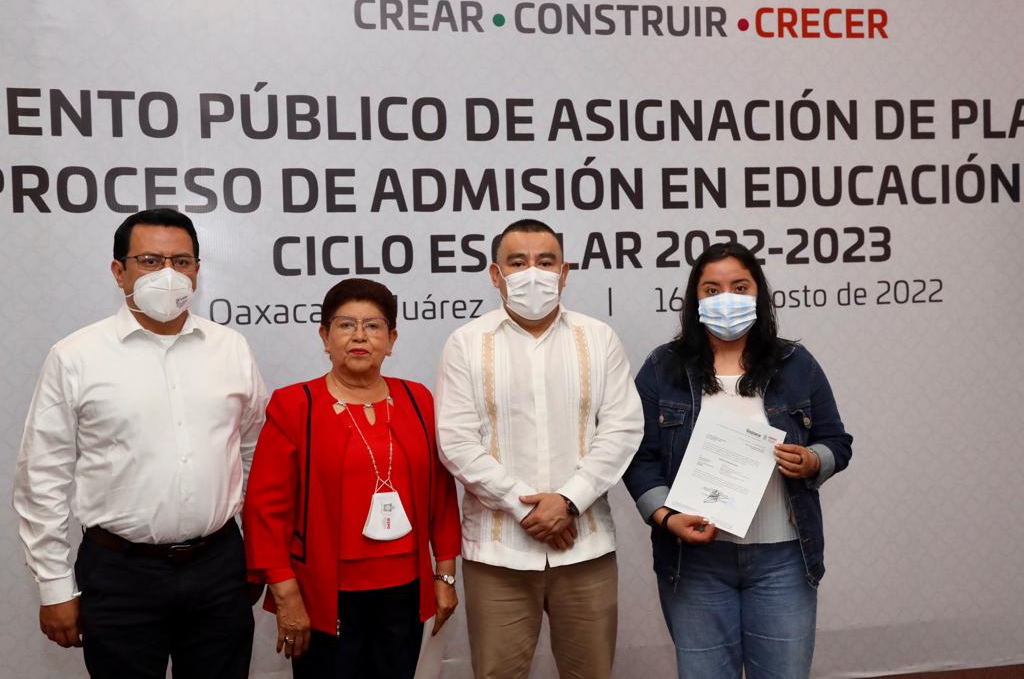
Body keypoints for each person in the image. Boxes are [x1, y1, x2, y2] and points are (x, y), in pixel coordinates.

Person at [13, 209, 269, 679]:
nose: (168, 274)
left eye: (181, 261)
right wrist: (54, 586)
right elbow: (42, 476)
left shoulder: (230, 348)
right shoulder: (75, 356)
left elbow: (256, 453)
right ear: (119, 271)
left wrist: (257, 554)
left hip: (219, 568)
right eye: (150, 261)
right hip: (119, 574)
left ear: (197, 271)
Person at [622, 242, 853, 679]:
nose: (726, 299)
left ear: (758, 294)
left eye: (739, 287)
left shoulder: (795, 363)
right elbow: (637, 456)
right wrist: (666, 516)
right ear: (695, 299)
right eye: (712, 290)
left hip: (783, 558)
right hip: (695, 562)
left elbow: (837, 442)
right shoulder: (663, 366)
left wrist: (811, 460)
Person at [435, 219, 643, 679]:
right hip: (498, 554)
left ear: (564, 273)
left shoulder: (599, 338)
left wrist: (568, 501)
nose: (533, 272)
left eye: (545, 262)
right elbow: (456, 442)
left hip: (584, 548)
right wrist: (526, 508)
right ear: (496, 275)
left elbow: (622, 428)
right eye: (518, 262)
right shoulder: (466, 344)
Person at [243, 278, 461, 678]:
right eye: (346, 325)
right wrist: (285, 590)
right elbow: (265, 508)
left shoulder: (417, 400)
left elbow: (442, 497)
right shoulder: (295, 405)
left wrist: (444, 574)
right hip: (326, 593)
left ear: (391, 340)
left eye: (373, 326)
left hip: (404, 591)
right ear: (324, 337)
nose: (360, 336)